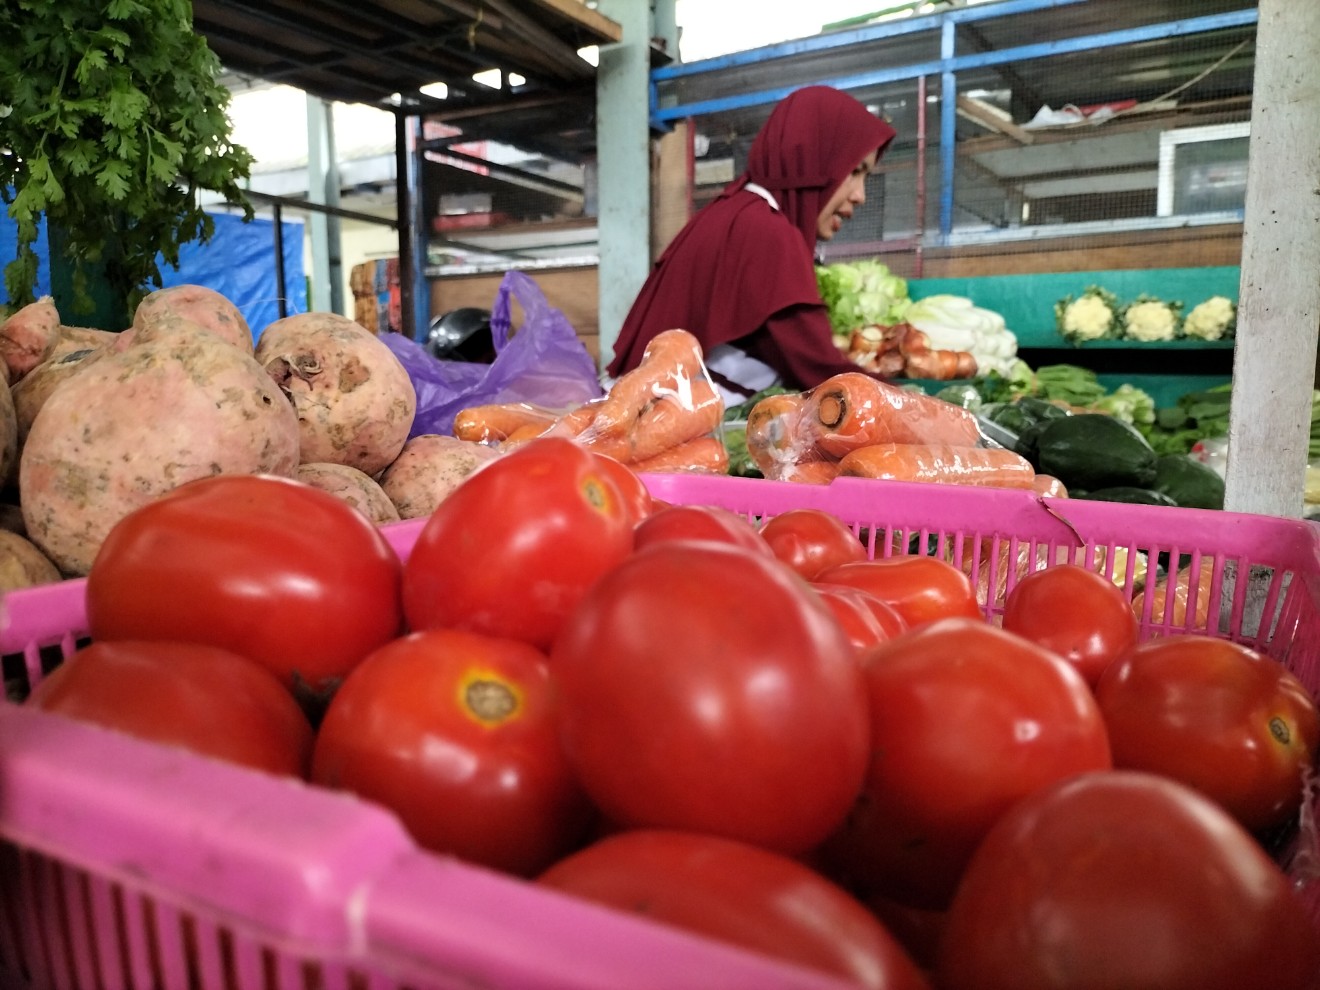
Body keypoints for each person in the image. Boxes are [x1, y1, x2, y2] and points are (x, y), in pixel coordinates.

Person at [606, 85, 897, 407]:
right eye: (854, 172)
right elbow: (819, 371)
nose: (860, 195)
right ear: (812, 160)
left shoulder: (739, 212)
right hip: (657, 427)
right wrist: (914, 405)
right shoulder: (765, 231)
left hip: (642, 415)